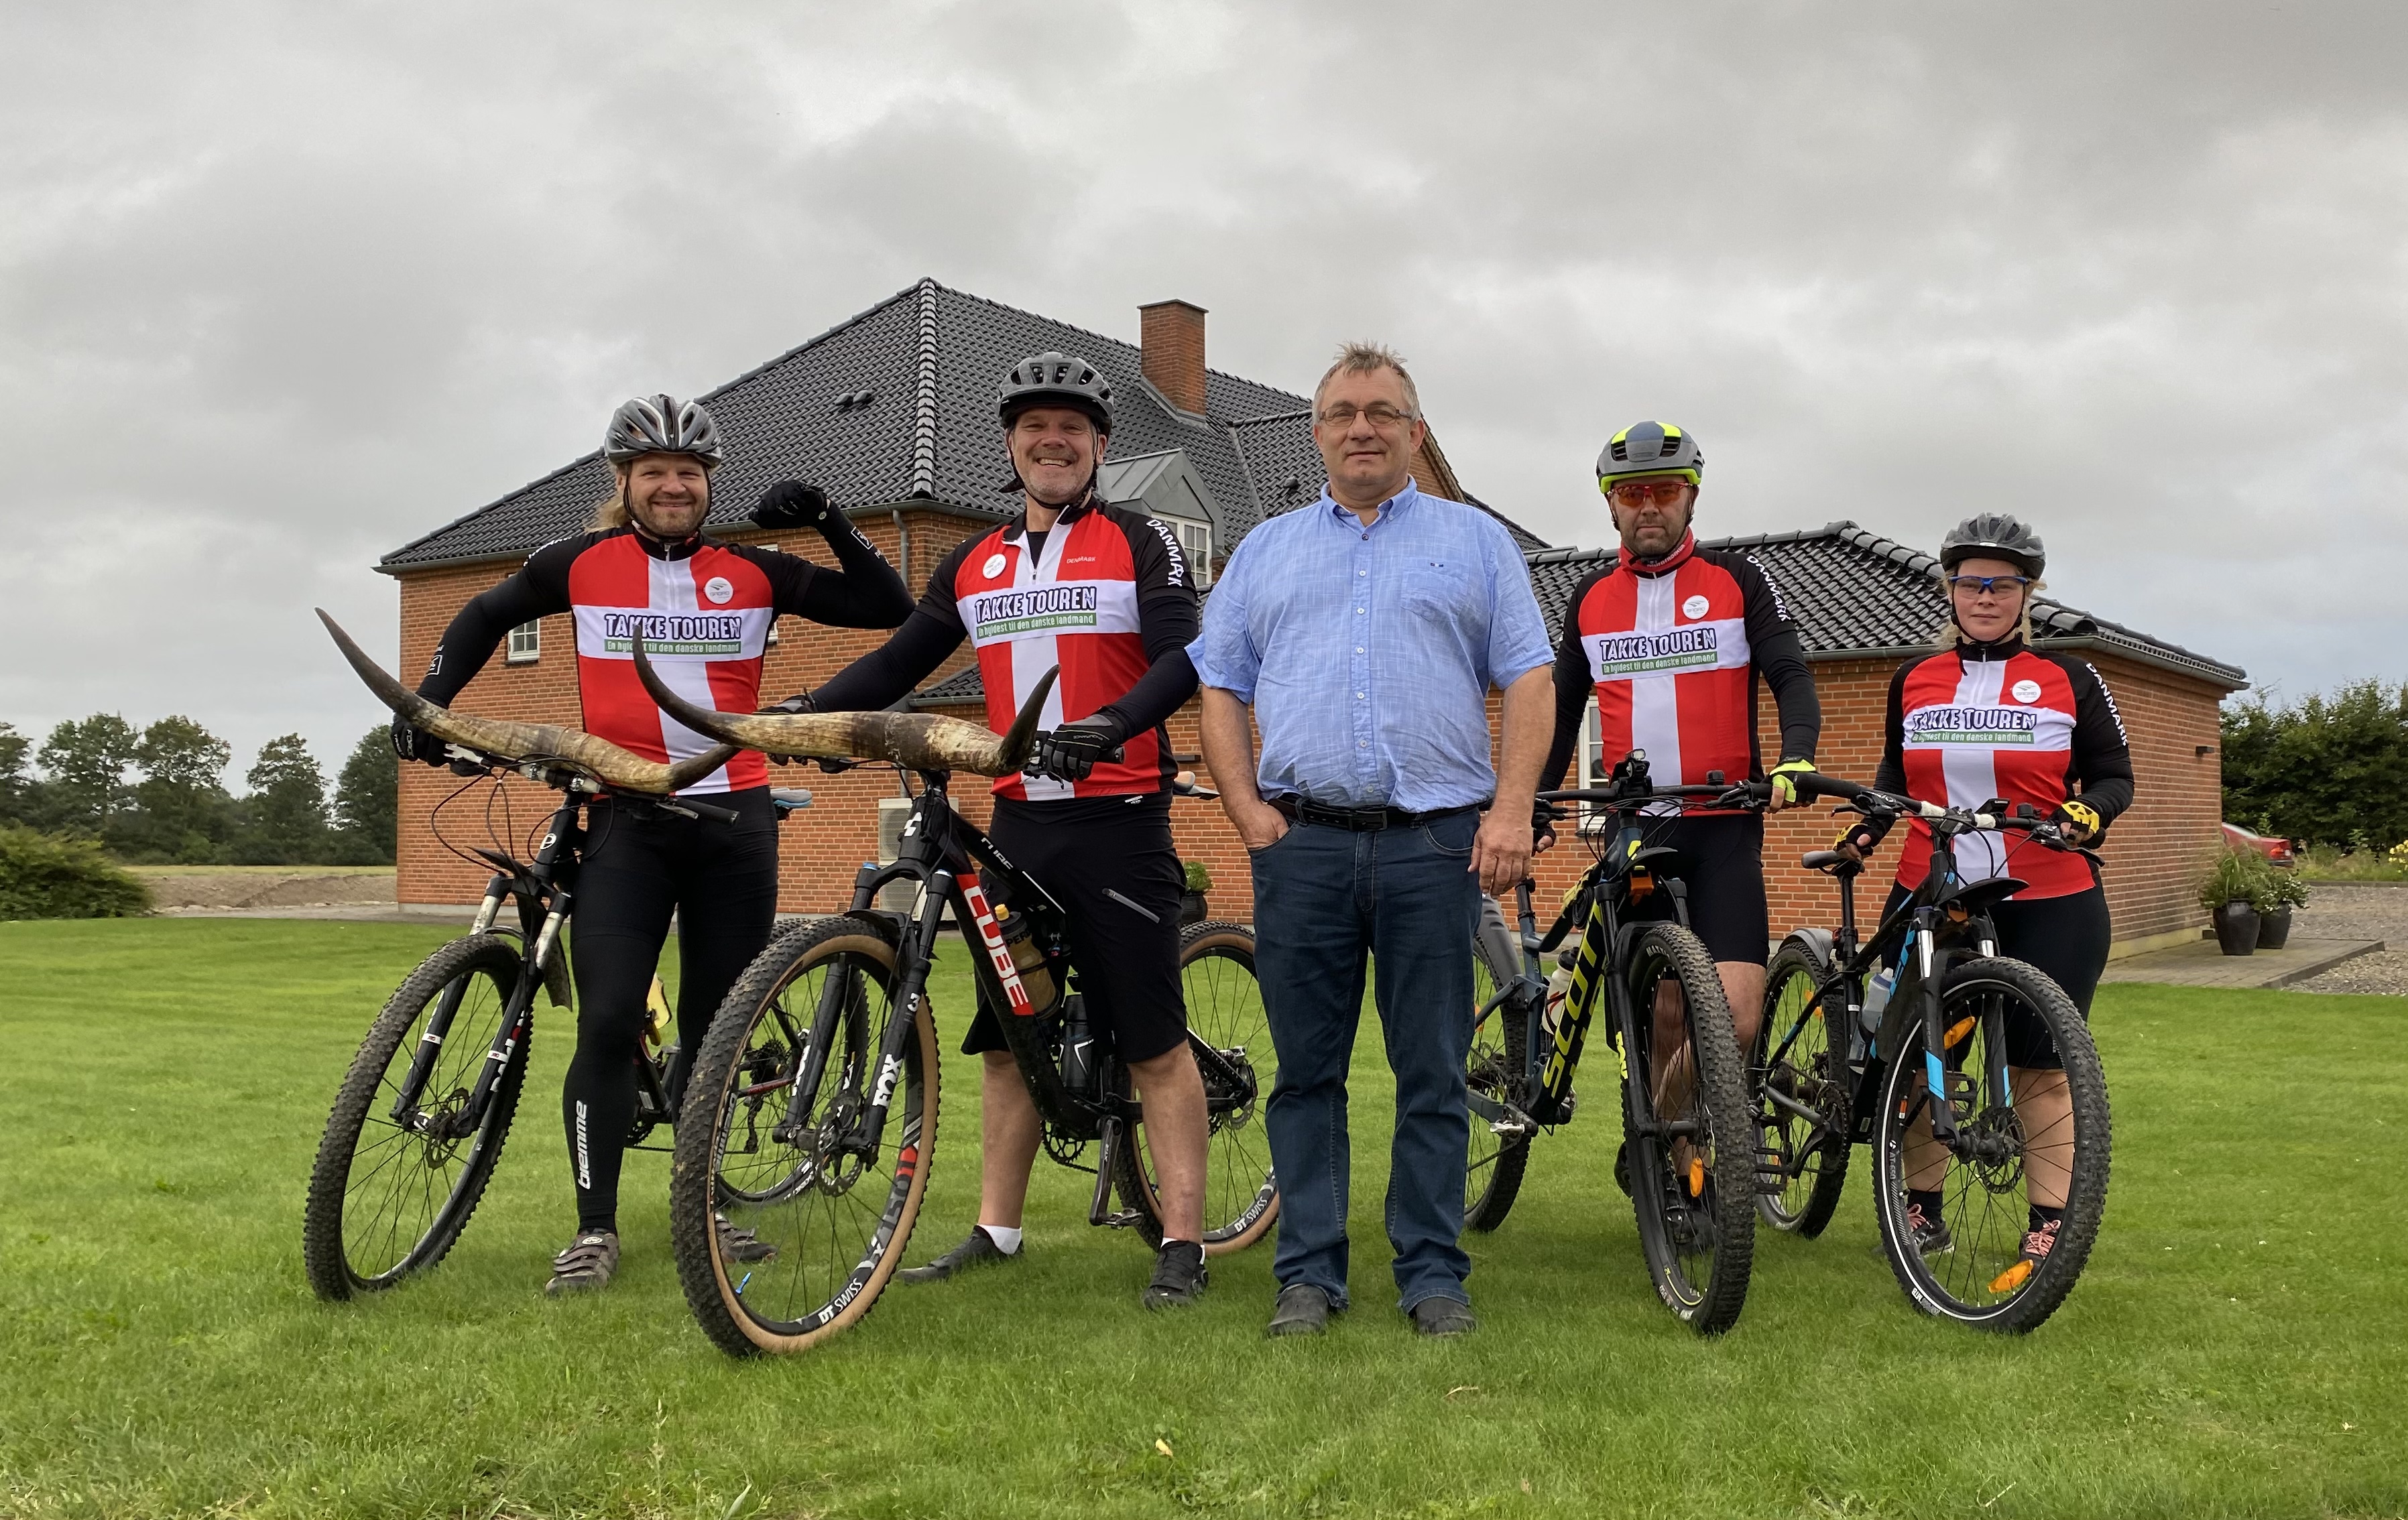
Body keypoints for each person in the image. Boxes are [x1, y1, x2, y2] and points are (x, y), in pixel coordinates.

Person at [402, 394, 912, 1294]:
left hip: (734, 825)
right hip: (627, 821)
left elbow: (886, 605)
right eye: (654, 473)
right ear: (625, 483)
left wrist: (829, 518)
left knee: (715, 1034)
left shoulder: (754, 571)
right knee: (605, 1022)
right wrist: (429, 705)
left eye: (688, 472)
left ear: (707, 483)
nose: (672, 486)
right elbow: (482, 614)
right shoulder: (581, 564)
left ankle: (705, 1205)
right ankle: (595, 1230)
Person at [799, 352, 1216, 1310]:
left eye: (1072, 426)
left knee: (1152, 1040)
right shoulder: (975, 563)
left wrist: (1109, 725)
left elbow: (1180, 657)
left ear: (1100, 445)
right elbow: (901, 659)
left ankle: (1183, 1242)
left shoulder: (1142, 540)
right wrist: (812, 716)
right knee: (1006, 1035)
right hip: (1020, 824)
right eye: (1035, 425)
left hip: (1117, 820)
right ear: (1012, 444)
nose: (1053, 439)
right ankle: (998, 1227)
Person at [1194, 342, 1555, 1339]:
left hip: (1433, 847)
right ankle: (1307, 1274)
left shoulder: (1476, 542)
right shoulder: (1265, 549)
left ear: (1415, 432)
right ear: (1317, 433)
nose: (1363, 427)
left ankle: (1433, 1272)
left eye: (1383, 412)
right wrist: (1246, 812)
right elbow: (1218, 684)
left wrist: (1512, 808)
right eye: (1344, 412)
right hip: (1301, 847)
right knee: (1306, 1075)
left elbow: (1530, 679)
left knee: (1432, 1072)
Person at [1834, 512, 2130, 1277]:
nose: (1986, 595)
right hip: (1930, 888)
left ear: (2026, 593)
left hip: (2048, 891)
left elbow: (2112, 775)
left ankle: (2049, 1223)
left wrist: (2087, 811)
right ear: (1951, 590)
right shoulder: (1916, 679)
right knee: (1926, 1055)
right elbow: (1897, 779)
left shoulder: (2071, 679)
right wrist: (1867, 832)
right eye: (1971, 582)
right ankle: (1921, 1212)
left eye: (2003, 583)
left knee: (2042, 1064)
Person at [1537, 421, 1823, 1191]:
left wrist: (1797, 753)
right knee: (1665, 1014)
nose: (1648, 507)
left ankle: (1661, 1132)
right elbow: (1563, 716)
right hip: (1639, 828)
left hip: (1724, 822)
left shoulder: (1739, 581)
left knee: (1732, 1018)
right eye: (1631, 494)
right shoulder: (1591, 599)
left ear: (1691, 495)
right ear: (1612, 507)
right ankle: (1678, 1166)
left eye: (1664, 491)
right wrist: (1536, 798)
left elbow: (1790, 673)